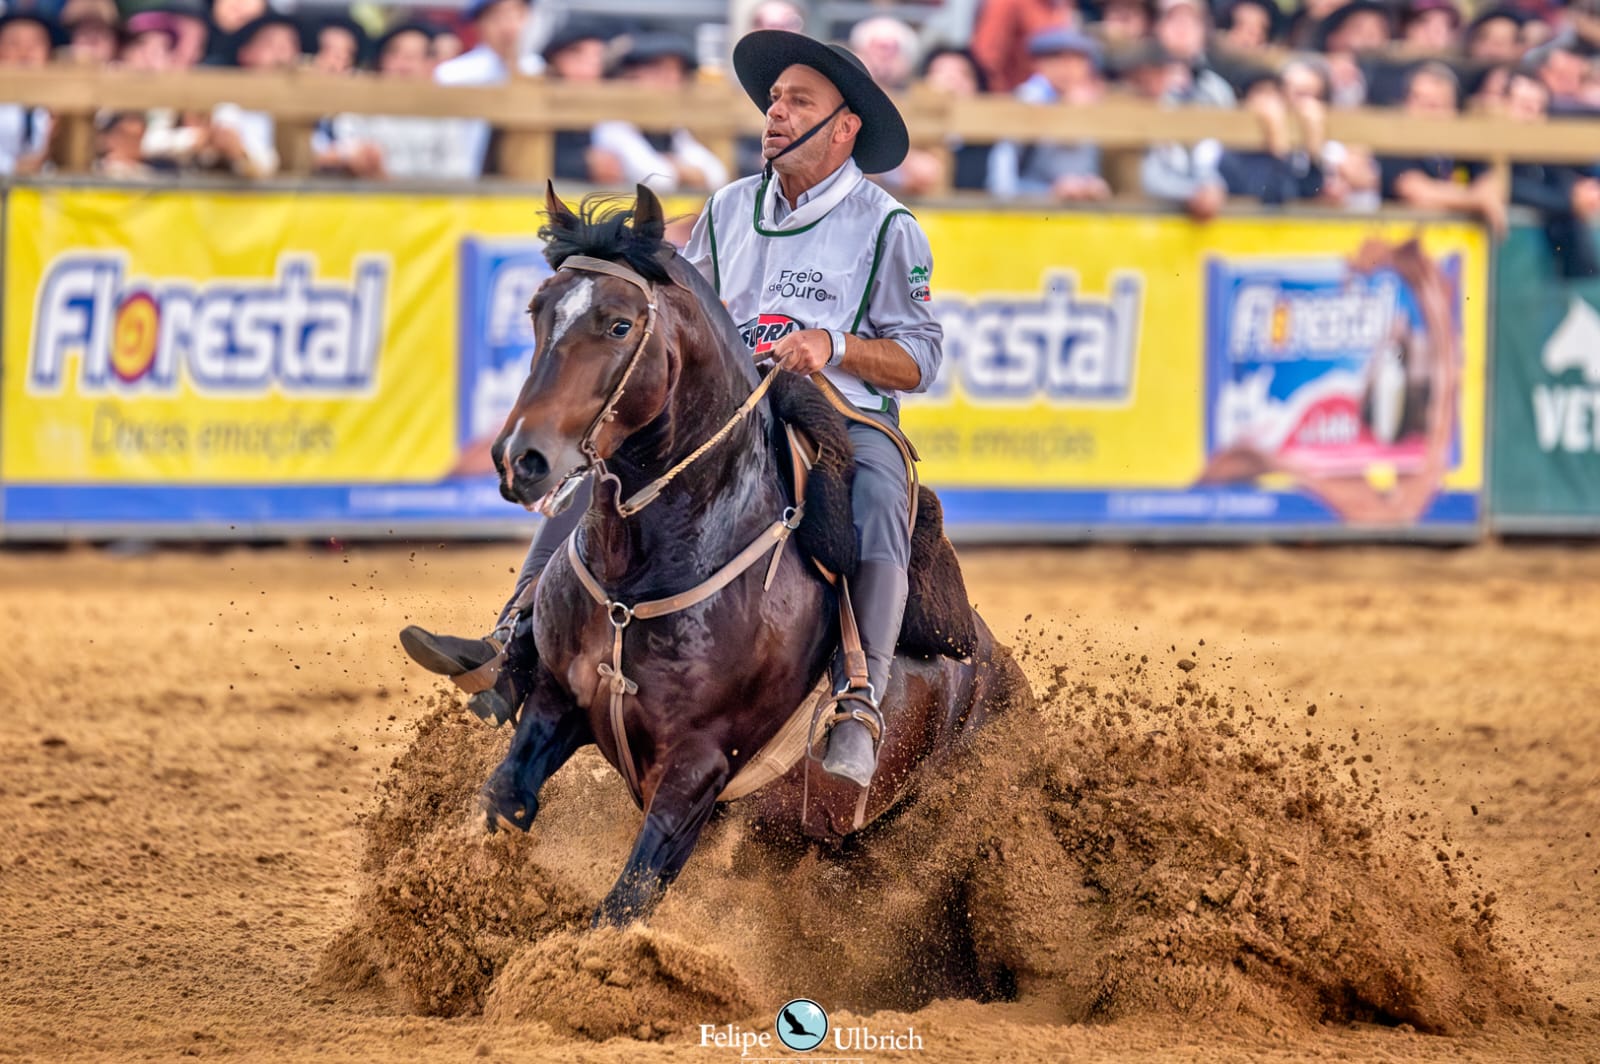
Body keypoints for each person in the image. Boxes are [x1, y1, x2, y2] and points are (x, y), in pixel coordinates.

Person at [401, 29, 942, 792]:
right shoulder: (728, 207)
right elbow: (683, 310)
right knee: (613, 471)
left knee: (883, 492)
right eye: (775, 100)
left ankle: (859, 696)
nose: (776, 114)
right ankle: (513, 643)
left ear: (844, 127)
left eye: (799, 102)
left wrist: (833, 343)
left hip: (838, 413)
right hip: (729, 407)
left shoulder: (889, 227)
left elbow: (920, 358)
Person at [433, 0, 542, 177]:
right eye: (497, 17)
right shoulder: (453, 76)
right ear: (478, 24)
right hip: (462, 180)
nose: (509, 27)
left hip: (526, 183)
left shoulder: (539, 72)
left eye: (518, 15)